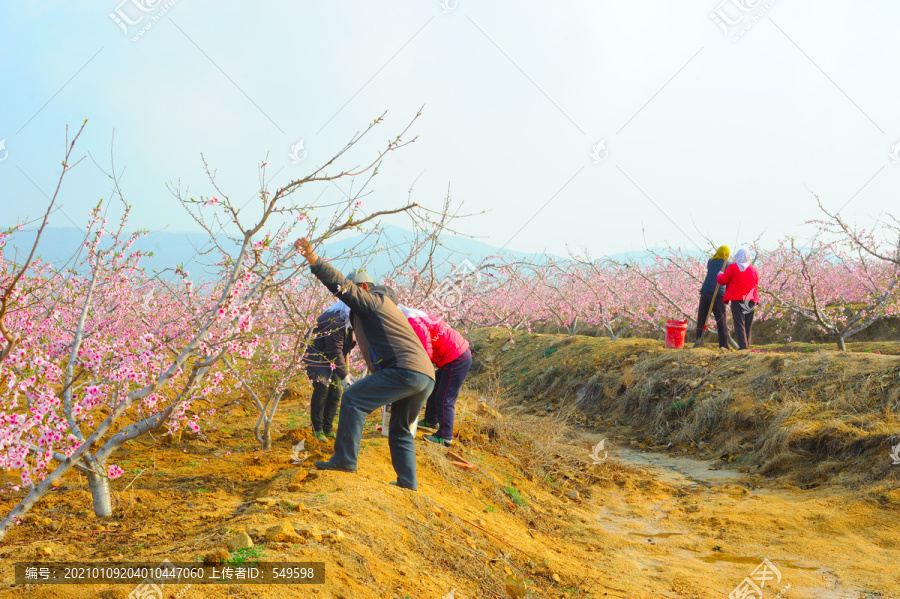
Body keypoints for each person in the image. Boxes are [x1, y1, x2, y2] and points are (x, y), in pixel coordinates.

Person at [293, 238, 435, 491]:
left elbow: (343, 288)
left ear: (366, 287)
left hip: (404, 371)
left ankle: (345, 460)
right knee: (400, 429)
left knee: (353, 399)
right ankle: (407, 482)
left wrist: (315, 261)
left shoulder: (374, 301)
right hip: (424, 377)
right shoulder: (386, 309)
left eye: (357, 291)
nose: (351, 299)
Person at [397, 304, 472, 447]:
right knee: (434, 388)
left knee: (444, 398)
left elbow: (425, 352)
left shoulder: (414, 323)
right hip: (451, 356)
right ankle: (431, 420)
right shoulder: (416, 317)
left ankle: (445, 437)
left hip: (456, 359)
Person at [302, 301, 355, 442]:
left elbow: (345, 350)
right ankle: (317, 429)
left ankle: (328, 428)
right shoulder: (336, 320)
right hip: (314, 354)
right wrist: (344, 376)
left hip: (331, 358)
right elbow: (335, 351)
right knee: (322, 388)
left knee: (336, 391)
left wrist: (346, 372)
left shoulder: (350, 323)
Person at [717, 247, 759, 350]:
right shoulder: (753, 269)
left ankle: (743, 347)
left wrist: (719, 275)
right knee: (748, 324)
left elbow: (722, 280)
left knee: (739, 323)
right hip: (751, 299)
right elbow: (756, 282)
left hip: (737, 299)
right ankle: (746, 347)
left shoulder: (733, 267)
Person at [695, 246, 730, 349]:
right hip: (718, 294)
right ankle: (724, 345)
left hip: (705, 292)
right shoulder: (728, 264)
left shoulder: (710, 261)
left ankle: (698, 341)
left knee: (702, 318)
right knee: (721, 320)